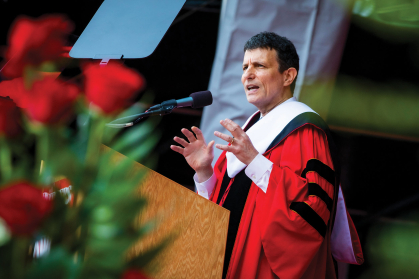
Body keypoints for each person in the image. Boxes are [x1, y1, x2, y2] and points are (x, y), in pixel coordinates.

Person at [171, 32, 360, 279]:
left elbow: (312, 211)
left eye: (259, 66)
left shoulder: (305, 131)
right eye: (244, 67)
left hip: (263, 268)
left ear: (288, 76)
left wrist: (255, 161)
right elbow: (222, 208)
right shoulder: (249, 132)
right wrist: (204, 172)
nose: (247, 74)